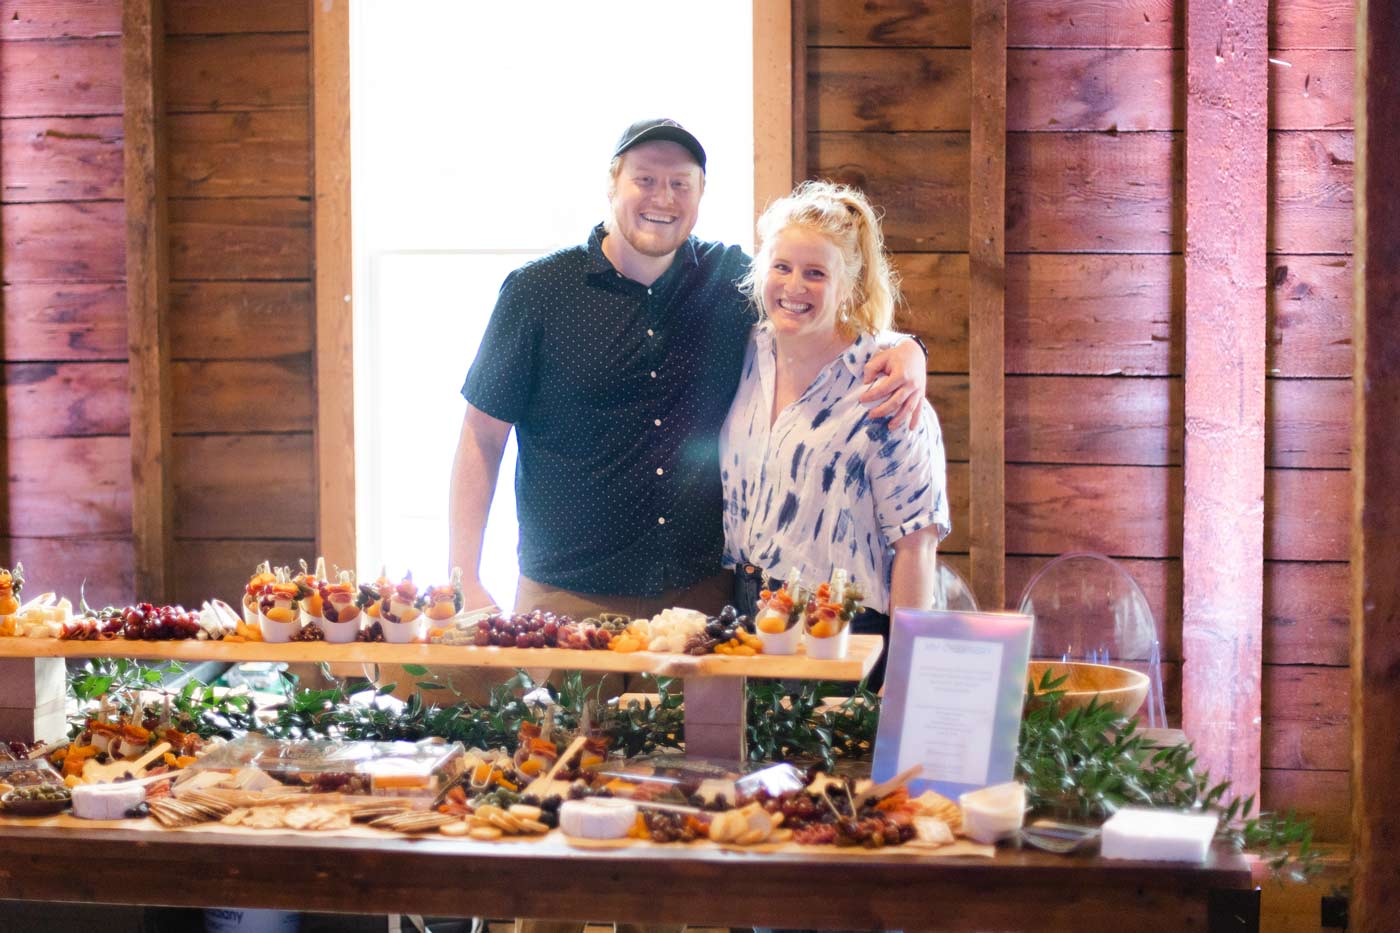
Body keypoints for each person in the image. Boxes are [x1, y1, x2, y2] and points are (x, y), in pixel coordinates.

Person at [449, 119, 928, 628]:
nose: (664, 198)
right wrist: (465, 577)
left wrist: (906, 348)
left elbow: (817, 315)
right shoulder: (538, 292)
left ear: (701, 194)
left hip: (702, 599)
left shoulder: (732, 280)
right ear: (612, 184)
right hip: (567, 597)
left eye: (680, 183)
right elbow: (482, 436)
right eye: (645, 180)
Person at [721, 180, 951, 692]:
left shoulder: (886, 388)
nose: (794, 286)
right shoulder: (744, 355)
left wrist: (903, 679)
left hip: (841, 631)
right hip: (745, 622)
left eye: (816, 273)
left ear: (848, 287)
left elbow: (917, 545)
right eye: (781, 267)